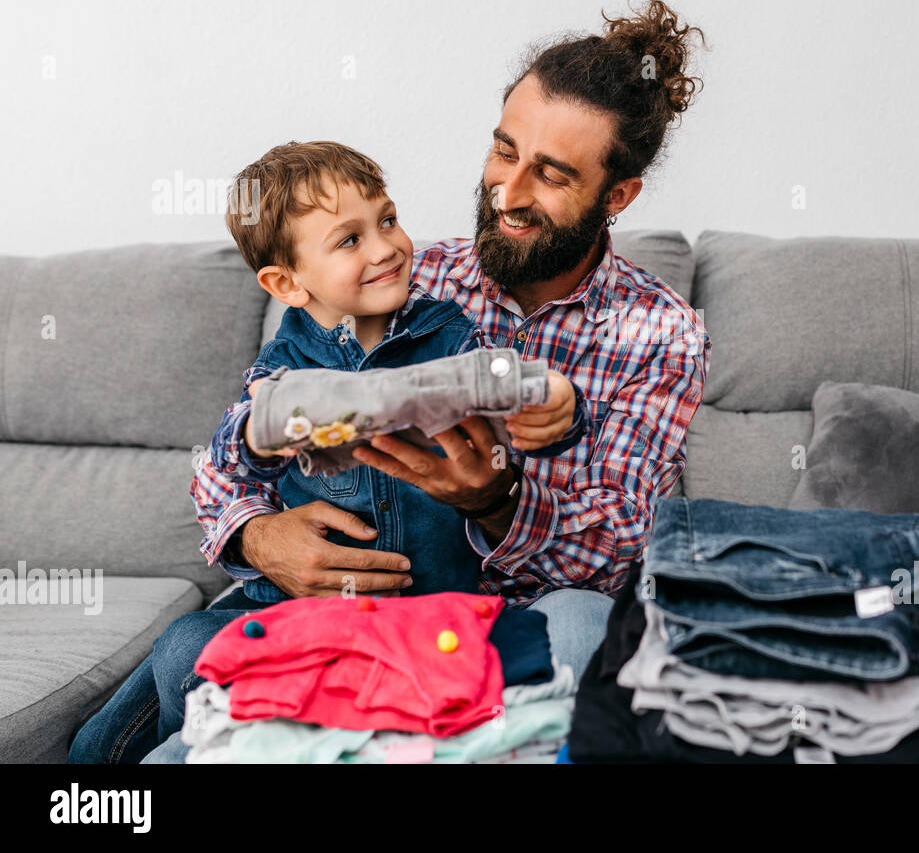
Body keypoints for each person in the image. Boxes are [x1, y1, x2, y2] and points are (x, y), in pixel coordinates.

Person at [70, 139, 588, 763]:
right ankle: (211, 740)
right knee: (177, 653)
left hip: (435, 614)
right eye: (349, 240)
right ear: (286, 282)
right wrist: (262, 429)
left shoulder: (452, 336)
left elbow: (513, 394)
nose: (386, 248)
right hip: (311, 620)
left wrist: (559, 406)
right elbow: (230, 464)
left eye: (388, 220)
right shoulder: (280, 371)